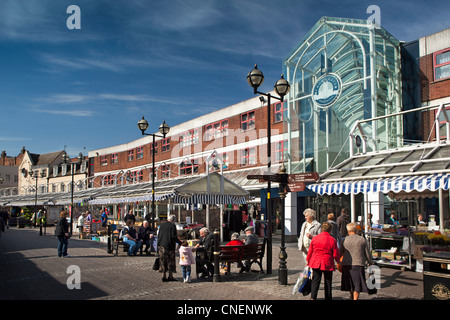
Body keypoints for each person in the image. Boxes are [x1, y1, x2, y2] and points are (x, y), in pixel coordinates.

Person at [306, 222, 340, 300]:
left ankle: (313, 297)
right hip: (327, 262)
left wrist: (308, 261)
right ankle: (328, 297)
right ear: (330, 230)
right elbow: (335, 254)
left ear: (321, 229)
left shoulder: (315, 238)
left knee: (315, 280)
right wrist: (338, 261)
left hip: (316, 262)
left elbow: (310, 251)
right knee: (328, 281)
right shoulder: (332, 240)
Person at [340, 222, 373, 300]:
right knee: (357, 283)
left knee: (350, 283)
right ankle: (355, 298)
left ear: (348, 230)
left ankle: (352, 297)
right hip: (358, 263)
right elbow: (367, 253)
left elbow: (340, 252)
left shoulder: (345, 240)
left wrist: (339, 262)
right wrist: (370, 262)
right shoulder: (361, 239)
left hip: (346, 264)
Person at [157, 214, 182, 282]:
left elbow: (159, 235)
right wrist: (180, 242)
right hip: (169, 245)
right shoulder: (172, 226)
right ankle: (170, 275)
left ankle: (163, 275)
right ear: (173, 220)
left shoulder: (162, 225)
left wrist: (158, 245)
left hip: (161, 245)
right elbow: (173, 236)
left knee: (163, 260)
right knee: (170, 261)